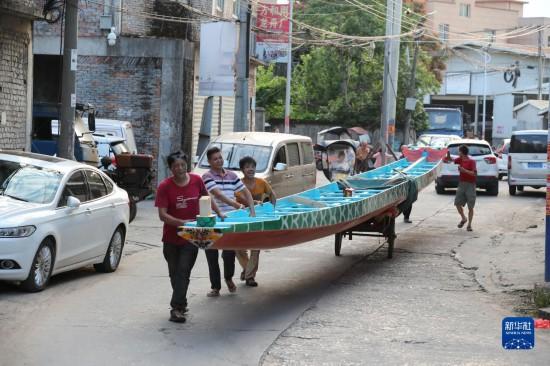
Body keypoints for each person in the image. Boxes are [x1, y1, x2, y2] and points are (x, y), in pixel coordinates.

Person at [155, 151, 224, 323]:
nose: (179, 168)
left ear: (187, 165)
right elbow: (162, 215)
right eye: (175, 166)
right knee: (174, 274)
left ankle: (176, 308)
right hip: (171, 238)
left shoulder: (196, 180)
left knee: (183, 271)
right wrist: (181, 222)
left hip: (192, 237)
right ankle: (182, 302)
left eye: (182, 165)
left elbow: (207, 198)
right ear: (170, 168)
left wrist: (220, 213)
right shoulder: (164, 186)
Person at [202, 147, 256, 297]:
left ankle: (228, 278)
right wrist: (236, 205)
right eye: (215, 159)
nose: (219, 160)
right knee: (211, 253)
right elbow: (217, 195)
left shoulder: (232, 176)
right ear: (209, 162)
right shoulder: (206, 176)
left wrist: (252, 210)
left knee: (229, 253)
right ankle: (215, 287)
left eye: (220, 157)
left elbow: (245, 192)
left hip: (231, 219)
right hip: (211, 219)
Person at [235, 156, 277, 287]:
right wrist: (255, 202)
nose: (250, 169)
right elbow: (242, 200)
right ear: (242, 169)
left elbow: (272, 195)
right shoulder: (238, 184)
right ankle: (248, 270)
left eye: (252, 166)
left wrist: (272, 209)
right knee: (238, 248)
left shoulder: (261, 182)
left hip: (258, 220)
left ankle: (249, 277)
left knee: (256, 248)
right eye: (247, 167)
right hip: (242, 220)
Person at [446, 145, 477, 231]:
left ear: (462, 152)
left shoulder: (472, 161)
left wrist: (464, 171)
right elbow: (450, 160)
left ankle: (469, 225)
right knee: (457, 203)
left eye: (459, 151)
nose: (458, 153)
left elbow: (474, 174)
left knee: (470, 206)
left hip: (470, 185)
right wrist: (448, 156)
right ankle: (463, 218)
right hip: (462, 184)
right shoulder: (460, 159)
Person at [398, 144, 413, 224]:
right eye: (404, 150)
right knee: (401, 201)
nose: (405, 151)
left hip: (409, 182)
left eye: (407, 150)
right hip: (401, 181)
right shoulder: (400, 159)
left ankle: (406, 217)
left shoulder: (411, 158)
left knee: (409, 200)